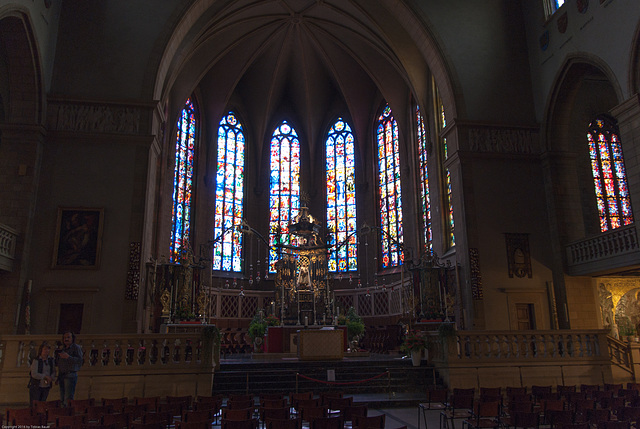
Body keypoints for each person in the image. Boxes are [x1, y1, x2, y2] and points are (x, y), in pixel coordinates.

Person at [56, 331, 83, 406]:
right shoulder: (64, 349)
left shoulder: (76, 348)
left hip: (70, 375)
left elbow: (79, 361)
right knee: (62, 397)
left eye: (68, 337)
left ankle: (68, 413)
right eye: (64, 338)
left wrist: (69, 357)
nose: (66, 339)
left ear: (72, 338)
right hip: (62, 375)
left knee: (68, 398)